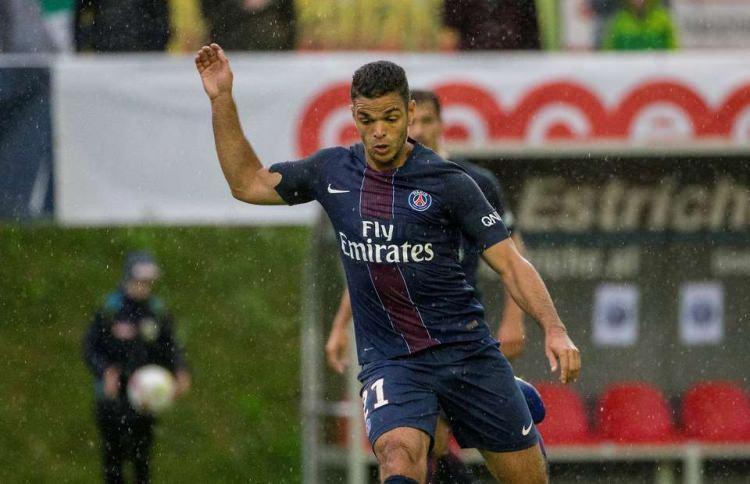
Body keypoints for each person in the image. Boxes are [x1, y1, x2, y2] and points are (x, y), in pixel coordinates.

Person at [195, 43, 580, 483]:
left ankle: (507, 395)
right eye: (367, 120)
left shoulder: (450, 183)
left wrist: (554, 328)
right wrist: (221, 99)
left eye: (391, 118)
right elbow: (247, 183)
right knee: (398, 455)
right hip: (393, 361)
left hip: (466, 352)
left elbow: (511, 263)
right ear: (353, 115)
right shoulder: (332, 171)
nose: (378, 131)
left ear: (409, 112)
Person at [324, 89, 535, 482]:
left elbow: (513, 256)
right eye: (414, 123)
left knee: (447, 442)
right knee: (425, 441)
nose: (419, 130)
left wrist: (514, 318)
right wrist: (340, 324)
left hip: (459, 328)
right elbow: (372, 263)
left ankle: (509, 401)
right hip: (404, 338)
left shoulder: (474, 181)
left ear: (441, 123)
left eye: (427, 121)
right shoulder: (384, 185)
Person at [83, 251, 191, 484]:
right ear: (128, 278)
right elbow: (90, 347)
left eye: (148, 281)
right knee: (113, 459)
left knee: (142, 460)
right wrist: (105, 371)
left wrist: (180, 370)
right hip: (113, 397)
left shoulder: (157, 311)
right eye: (140, 280)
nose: (144, 286)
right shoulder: (111, 309)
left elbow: (171, 347)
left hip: (145, 397)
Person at [602, 0, 678, 51]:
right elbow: (609, 52)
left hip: (657, 68)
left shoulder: (663, 20)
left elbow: (673, 50)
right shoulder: (619, 21)